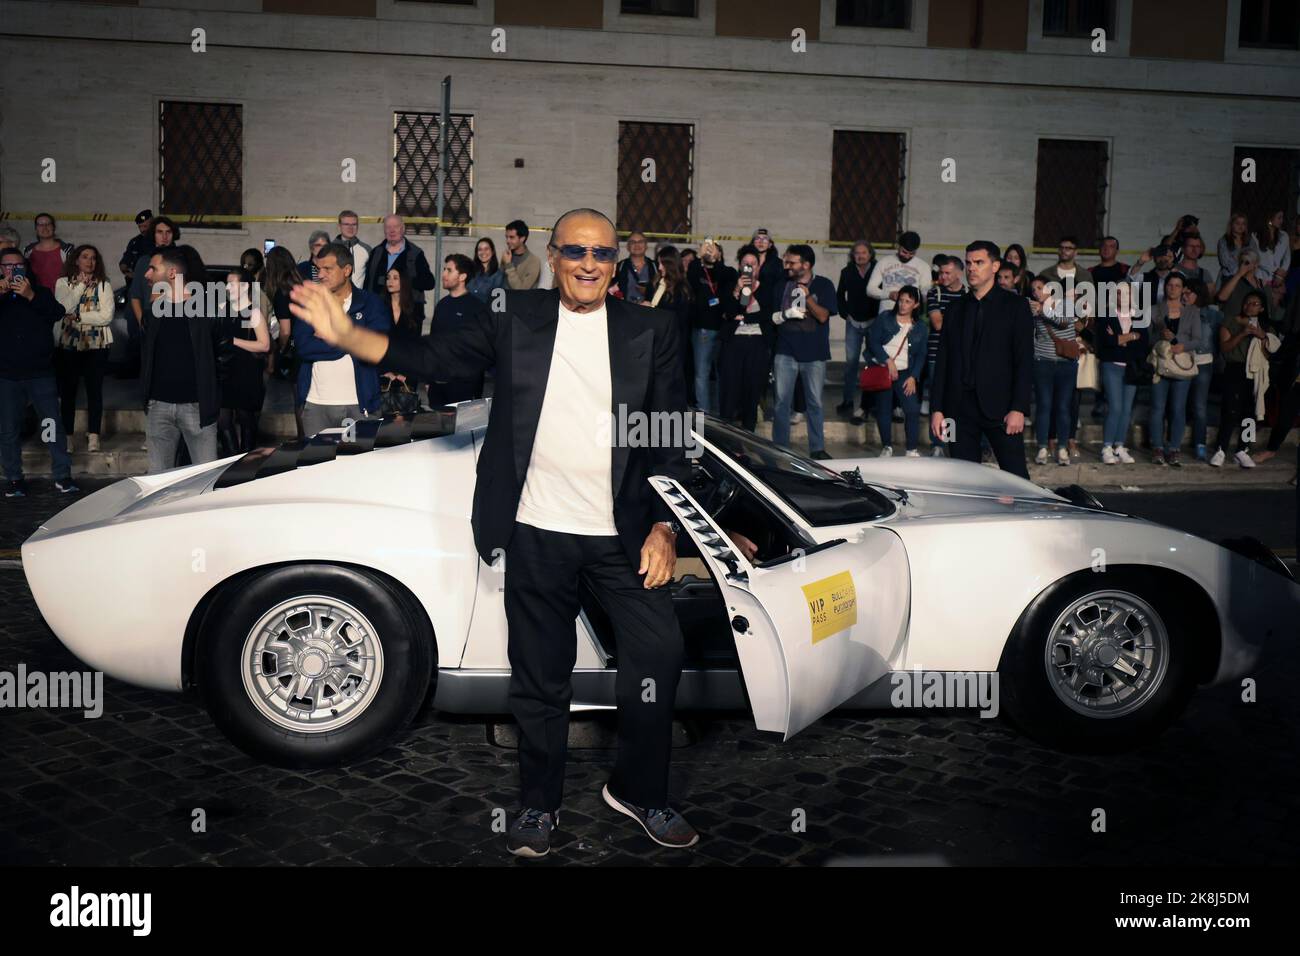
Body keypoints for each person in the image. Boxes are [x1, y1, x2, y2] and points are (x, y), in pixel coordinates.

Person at [289, 206, 697, 856]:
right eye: (575, 251)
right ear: (555, 256)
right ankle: (538, 805)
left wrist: (664, 526)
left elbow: (673, 430)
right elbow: (429, 354)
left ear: (615, 264)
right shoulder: (516, 319)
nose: (588, 263)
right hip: (536, 531)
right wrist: (350, 336)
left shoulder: (652, 328)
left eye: (601, 253)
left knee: (659, 654)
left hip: (621, 532)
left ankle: (640, 790)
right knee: (540, 676)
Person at [929, 241, 1034, 479]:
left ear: (995, 266)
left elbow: (1024, 361)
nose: (971, 269)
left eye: (979, 263)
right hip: (957, 409)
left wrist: (1019, 407)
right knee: (962, 479)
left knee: (1017, 478)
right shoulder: (955, 308)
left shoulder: (1016, 306)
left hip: (1002, 409)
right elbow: (943, 360)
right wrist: (937, 409)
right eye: (968, 263)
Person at [0, 249, 78, 496]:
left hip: (40, 373)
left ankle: (62, 475)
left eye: (17, 266)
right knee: (9, 429)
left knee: (51, 425)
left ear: (25, 267)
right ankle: (14, 477)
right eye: (7, 266)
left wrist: (31, 295)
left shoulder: (40, 291)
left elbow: (57, 313)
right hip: (7, 375)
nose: (13, 271)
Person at [139, 247, 221, 475]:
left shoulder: (207, 308)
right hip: (158, 408)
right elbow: (146, 357)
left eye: (153, 268)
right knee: (158, 484)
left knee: (205, 482)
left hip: (198, 408)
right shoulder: (154, 311)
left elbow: (223, 355)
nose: (147, 275)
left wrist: (211, 396)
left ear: (172, 273)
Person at [295, 243, 391, 436]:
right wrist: (350, 340)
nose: (320, 275)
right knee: (317, 465)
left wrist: (333, 337)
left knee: (358, 465)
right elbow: (303, 347)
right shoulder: (311, 304)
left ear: (347, 270)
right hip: (316, 405)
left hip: (359, 405)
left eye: (327, 269)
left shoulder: (371, 303)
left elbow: (374, 346)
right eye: (318, 269)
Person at [771, 244, 837, 460]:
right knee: (782, 402)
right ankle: (780, 447)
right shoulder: (782, 283)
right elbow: (773, 316)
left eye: (792, 262)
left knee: (815, 403)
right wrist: (785, 314)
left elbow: (823, 316)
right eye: (786, 261)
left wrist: (808, 298)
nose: (787, 266)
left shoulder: (824, 284)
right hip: (785, 350)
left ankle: (817, 448)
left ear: (806, 265)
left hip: (814, 353)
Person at [53, 245, 115, 454]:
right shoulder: (63, 283)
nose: (90, 261)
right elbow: (65, 308)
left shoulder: (104, 285)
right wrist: (80, 287)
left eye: (94, 258)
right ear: (76, 260)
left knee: (94, 391)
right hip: (69, 344)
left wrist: (79, 317)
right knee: (68, 392)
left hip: (97, 345)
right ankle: (68, 436)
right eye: (85, 257)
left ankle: (94, 436)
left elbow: (106, 316)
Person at [1211, 289, 1277, 469]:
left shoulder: (1266, 327)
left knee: (1251, 413)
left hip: (1256, 372)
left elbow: (1271, 352)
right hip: (1235, 368)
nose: (1250, 306)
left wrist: (1262, 336)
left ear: (1262, 308)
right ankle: (1221, 449)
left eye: (1255, 304)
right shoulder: (1231, 321)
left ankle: (1242, 449)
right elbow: (1225, 348)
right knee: (1230, 410)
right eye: (1247, 303)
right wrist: (1243, 333)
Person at [863, 285, 927, 457]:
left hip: (906, 372)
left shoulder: (920, 326)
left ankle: (911, 449)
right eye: (901, 300)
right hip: (883, 369)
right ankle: (887, 447)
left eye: (908, 301)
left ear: (915, 305)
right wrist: (887, 360)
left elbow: (921, 355)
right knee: (884, 409)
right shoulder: (885, 318)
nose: (903, 305)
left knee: (912, 409)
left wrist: (914, 376)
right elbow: (873, 342)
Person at [216, 268, 271, 456]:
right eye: (227, 283)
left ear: (245, 286)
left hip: (246, 371)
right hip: (225, 371)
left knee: (246, 418)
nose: (228, 287)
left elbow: (264, 345)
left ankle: (245, 460)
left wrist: (234, 341)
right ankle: (231, 459)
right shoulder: (223, 309)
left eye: (232, 283)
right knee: (222, 420)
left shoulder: (253, 313)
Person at [719, 244, 774, 432]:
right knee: (730, 389)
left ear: (758, 267)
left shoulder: (766, 288)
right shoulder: (730, 285)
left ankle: (749, 432)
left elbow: (766, 316)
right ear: (740, 266)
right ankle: (725, 435)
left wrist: (743, 316)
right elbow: (727, 311)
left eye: (753, 263)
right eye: (745, 264)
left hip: (757, 343)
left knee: (752, 390)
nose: (749, 267)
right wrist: (737, 290)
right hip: (734, 343)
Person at [1147, 272, 1200, 467]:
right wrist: (1160, 336)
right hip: (1160, 364)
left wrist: (1182, 346)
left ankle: (1174, 448)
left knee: (1178, 408)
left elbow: (1197, 339)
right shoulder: (1154, 310)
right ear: (1165, 287)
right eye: (1170, 285)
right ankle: (1158, 448)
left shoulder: (1192, 311)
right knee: (1157, 408)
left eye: (1178, 285)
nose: (1173, 289)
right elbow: (1147, 338)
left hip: (1182, 365)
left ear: (1183, 289)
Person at [427, 254, 489, 407]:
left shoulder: (477, 307)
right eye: (444, 270)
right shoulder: (442, 305)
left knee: (460, 429)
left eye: (449, 270)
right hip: (438, 384)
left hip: (463, 386)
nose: (444, 274)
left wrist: (473, 386)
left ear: (462, 276)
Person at [1028, 275, 1078, 467]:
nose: (1036, 292)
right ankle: (1042, 447)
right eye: (1033, 289)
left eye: (1039, 288)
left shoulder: (1064, 304)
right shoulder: (1034, 308)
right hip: (1043, 363)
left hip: (1066, 363)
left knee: (1063, 407)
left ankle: (1062, 447)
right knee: (1044, 406)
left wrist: (1042, 311)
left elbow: (1064, 322)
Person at [1097, 280, 1147, 465]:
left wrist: (1120, 339)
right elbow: (1105, 343)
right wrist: (1131, 336)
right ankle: (1107, 446)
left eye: (1126, 293)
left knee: (1126, 410)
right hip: (1111, 365)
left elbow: (1142, 345)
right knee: (1115, 407)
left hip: (1131, 367)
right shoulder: (1106, 315)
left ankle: (1119, 446)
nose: (1122, 296)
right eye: (1118, 292)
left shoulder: (1139, 316)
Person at [686, 239, 736, 414]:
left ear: (720, 254)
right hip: (702, 329)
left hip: (724, 329)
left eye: (714, 250)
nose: (710, 252)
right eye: (707, 250)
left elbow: (724, 278)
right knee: (702, 373)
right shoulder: (697, 270)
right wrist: (701, 258)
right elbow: (690, 276)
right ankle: (704, 412)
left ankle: (722, 412)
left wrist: (715, 261)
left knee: (722, 373)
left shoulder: (728, 272)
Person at [923, 255, 965, 446]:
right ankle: (938, 445)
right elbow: (938, 324)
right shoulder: (935, 293)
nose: (943, 276)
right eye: (941, 272)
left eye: (947, 272)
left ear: (959, 273)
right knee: (937, 401)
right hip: (936, 355)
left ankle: (952, 442)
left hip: (961, 356)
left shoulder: (968, 295)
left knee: (956, 402)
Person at [835, 240, 879, 417]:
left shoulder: (878, 270)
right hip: (853, 323)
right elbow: (840, 295)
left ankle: (870, 404)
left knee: (873, 363)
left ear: (870, 254)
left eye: (864, 253)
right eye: (857, 253)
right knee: (851, 363)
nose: (860, 256)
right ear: (853, 255)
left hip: (873, 322)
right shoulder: (846, 272)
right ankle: (848, 401)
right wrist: (846, 314)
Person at [646, 244, 693, 402]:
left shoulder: (682, 289)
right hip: (654, 340)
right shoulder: (656, 283)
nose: (659, 267)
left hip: (673, 342)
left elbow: (678, 317)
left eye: (662, 263)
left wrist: (652, 309)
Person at [363, 214, 438, 310]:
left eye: (396, 226)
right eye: (388, 227)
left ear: (403, 229)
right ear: (384, 230)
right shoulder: (376, 252)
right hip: (379, 311)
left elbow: (429, 283)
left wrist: (403, 281)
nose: (392, 230)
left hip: (408, 313)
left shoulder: (415, 253)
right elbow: (368, 283)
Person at [1184, 278, 1221, 462]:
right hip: (1182, 363)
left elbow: (1218, 340)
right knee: (1178, 404)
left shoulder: (1212, 315)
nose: (1184, 296)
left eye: (1187, 293)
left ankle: (1200, 444)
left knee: (1199, 406)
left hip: (1204, 363)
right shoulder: (1180, 312)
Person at [378, 266, 422, 419]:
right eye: (388, 277)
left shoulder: (415, 308)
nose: (390, 281)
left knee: (405, 421)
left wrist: (405, 372)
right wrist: (385, 371)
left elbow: (415, 345)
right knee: (383, 420)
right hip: (384, 371)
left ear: (403, 281)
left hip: (407, 371)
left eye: (395, 278)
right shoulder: (379, 307)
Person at [867, 231, 931, 323]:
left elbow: (925, 292)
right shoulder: (884, 262)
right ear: (898, 246)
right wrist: (889, 294)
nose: (907, 256)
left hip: (909, 319)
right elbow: (870, 289)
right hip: (885, 316)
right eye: (904, 252)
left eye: (911, 253)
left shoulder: (924, 266)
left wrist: (912, 299)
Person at [129, 216, 180, 327]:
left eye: (168, 232)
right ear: (153, 235)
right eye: (160, 232)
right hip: (151, 315)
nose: (164, 236)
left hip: (176, 315)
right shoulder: (144, 261)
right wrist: (142, 322)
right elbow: (135, 296)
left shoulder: (181, 260)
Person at [22, 213, 75, 293]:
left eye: (48, 224)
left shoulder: (67, 250)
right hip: (36, 298)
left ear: (53, 227)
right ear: (36, 229)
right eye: (40, 225)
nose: (45, 227)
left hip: (61, 299)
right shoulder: (28, 251)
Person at [1256, 209, 1291, 306]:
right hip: (1261, 277)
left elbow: (1287, 258)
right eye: (1279, 218)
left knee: (1274, 306)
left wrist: (1280, 274)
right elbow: (1257, 258)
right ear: (1270, 218)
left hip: (1276, 279)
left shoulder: (1284, 236)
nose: (1281, 221)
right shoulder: (1256, 236)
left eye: (1282, 218)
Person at [613, 231, 657, 305]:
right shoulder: (620, 266)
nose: (637, 245)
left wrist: (648, 291)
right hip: (626, 310)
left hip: (649, 311)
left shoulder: (655, 266)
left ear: (646, 246)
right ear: (627, 247)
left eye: (640, 242)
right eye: (633, 242)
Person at [1217, 212, 1259, 282]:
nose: (1241, 226)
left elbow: (1255, 257)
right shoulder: (1223, 241)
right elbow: (1225, 262)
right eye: (1237, 223)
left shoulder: (1250, 240)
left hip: (1247, 277)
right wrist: (1241, 272)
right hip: (1230, 277)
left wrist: (1247, 271)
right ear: (1231, 225)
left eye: (1243, 224)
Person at [500, 219, 541, 290]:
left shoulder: (534, 261)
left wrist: (508, 265)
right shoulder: (507, 255)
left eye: (511, 237)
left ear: (522, 238)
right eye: (506, 237)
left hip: (520, 300)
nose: (507, 241)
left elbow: (522, 289)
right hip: (502, 299)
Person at [118, 210, 154, 287]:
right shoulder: (135, 242)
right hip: (134, 285)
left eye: (145, 226)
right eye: (140, 227)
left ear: (152, 224)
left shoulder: (160, 241)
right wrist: (127, 272)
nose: (142, 230)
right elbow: (124, 262)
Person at [335, 210, 371, 286]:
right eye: (346, 224)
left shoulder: (367, 250)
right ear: (339, 226)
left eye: (354, 224)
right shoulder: (330, 249)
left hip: (359, 296)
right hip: (334, 296)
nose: (350, 228)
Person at [468, 237, 507, 304]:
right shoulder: (469, 271)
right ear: (477, 253)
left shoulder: (499, 275)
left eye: (486, 249)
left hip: (486, 313)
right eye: (480, 249)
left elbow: (499, 304)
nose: (483, 252)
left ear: (492, 252)